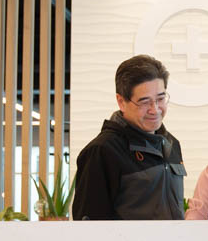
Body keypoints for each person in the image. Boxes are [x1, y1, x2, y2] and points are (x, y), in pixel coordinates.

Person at [73, 54, 185, 220]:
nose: (155, 109)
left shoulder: (171, 144)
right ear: (121, 101)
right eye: (144, 102)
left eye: (160, 99)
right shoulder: (102, 151)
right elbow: (89, 225)